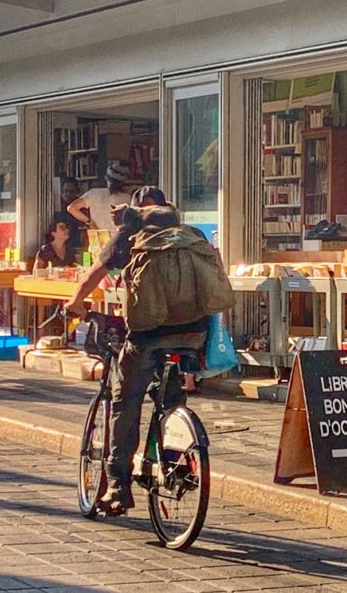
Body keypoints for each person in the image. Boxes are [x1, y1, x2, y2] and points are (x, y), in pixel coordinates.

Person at [65, 185, 213, 515]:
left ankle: (118, 487)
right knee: (172, 400)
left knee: (125, 397)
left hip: (150, 335)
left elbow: (95, 274)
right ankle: (179, 462)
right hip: (193, 333)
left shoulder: (130, 234)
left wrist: (75, 302)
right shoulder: (188, 235)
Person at [67, 161, 131, 233]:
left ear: (106, 178)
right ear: (123, 182)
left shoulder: (94, 193)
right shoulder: (128, 199)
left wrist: (89, 221)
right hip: (119, 238)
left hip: (98, 237)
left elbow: (71, 208)